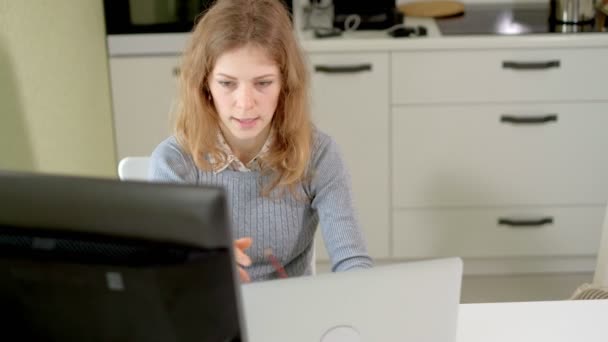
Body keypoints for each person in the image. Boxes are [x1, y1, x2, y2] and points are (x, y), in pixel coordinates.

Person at [149, 0, 372, 282]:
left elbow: (352, 260)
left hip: (294, 315)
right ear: (205, 84)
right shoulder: (173, 162)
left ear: (285, 84)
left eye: (263, 83)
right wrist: (203, 264)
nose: (244, 104)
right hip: (213, 315)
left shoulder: (319, 155)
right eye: (227, 83)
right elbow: (165, 274)